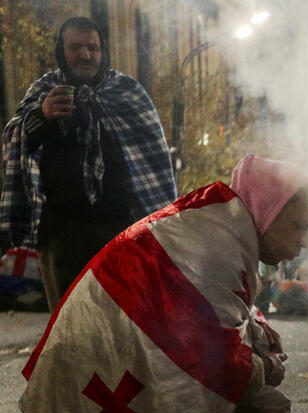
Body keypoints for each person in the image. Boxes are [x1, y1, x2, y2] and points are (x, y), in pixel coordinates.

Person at [19, 154, 308, 413]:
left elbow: (221, 312)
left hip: (110, 343)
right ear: (268, 209)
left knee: (243, 383)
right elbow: (224, 365)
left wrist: (259, 336)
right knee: (268, 408)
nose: (305, 242)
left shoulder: (221, 221)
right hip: (111, 352)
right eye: (299, 226)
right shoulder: (221, 244)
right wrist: (265, 366)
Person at [0, 17, 176, 311]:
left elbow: (153, 161)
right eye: (76, 47)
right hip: (62, 234)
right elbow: (15, 139)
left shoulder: (127, 91)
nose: (85, 55)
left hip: (122, 230)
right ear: (61, 51)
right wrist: (42, 115)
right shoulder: (45, 89)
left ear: (102, 51)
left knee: (124, 319)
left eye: (92, 48)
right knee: (69, 322)